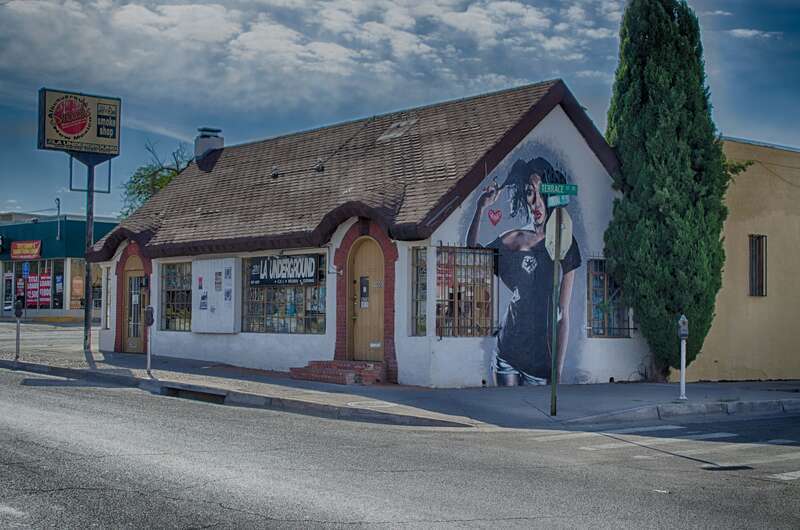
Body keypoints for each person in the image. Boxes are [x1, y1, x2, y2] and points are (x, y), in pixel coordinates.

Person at [466, 157, 581, 384]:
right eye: (530, 193)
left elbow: (562, 314)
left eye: (541, 193)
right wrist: (481, 207)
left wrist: (557, 371)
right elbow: (474, 252)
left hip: (541, 364)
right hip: (506, 354)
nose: (536, 202)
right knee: (506, 414)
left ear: (550, 196)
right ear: (524, 197)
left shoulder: (565, 243)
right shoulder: (515, 238)